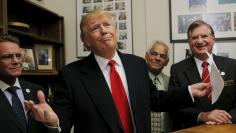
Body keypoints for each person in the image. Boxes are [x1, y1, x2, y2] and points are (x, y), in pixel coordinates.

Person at [26, 10, 210, 133]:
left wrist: (188, 91)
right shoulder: (71, 75)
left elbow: (154, 99)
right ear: (85, 41)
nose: (104, 30)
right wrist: (52, 122)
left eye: (107, 25)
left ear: (115, 31)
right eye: (95, 28)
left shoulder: (137, 64)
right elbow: (63, 120)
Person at [169, 20, 236, 131]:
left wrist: (227, 118)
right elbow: (174, 107)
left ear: (213, 38)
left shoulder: (233, 65)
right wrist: (203, 115)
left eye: (204, 36)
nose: (200, 41)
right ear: (189, 42)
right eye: (195, 37)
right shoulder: (177, 69)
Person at [0, 34, 59, 133]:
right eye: (7, 57)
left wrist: (52, 124)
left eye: (18, 56)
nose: (16, 61)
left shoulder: (37, 91)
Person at [145, 41, 171, 133]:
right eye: (154, 54)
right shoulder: (135, 80)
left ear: (166, 62)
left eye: (162, 56)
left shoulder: (171, 82)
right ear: (146, 56)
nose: (157, 58)